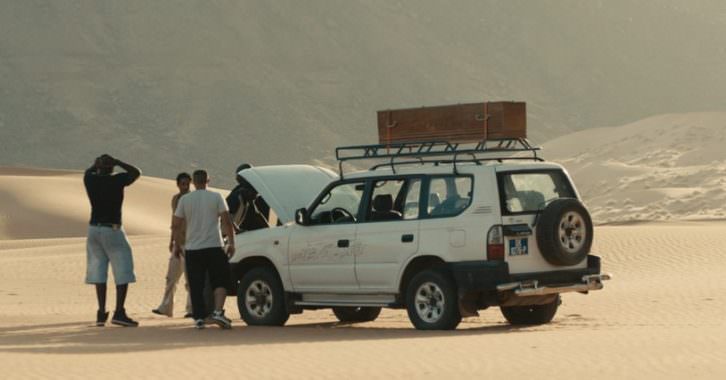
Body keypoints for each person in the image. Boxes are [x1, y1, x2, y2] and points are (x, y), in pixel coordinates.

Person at [172, 169, 236, 329]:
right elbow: (227, 221)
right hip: (214, 246)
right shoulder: (216, 196)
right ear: (208, 180)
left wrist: (177, 244)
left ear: (193, 182)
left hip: (193, 248)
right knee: (220, 280)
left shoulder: (185, 200)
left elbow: (176, 224)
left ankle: (199, 317)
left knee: (196, 283)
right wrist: (232, 243)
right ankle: (218, 311)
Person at [83, 154, 141, 327]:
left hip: (94, 229)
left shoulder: (91, 180)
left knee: (98, 270)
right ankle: (119, 311)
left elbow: (87, 172)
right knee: (123, 269)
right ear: (112, 168)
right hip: (112, 228)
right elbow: (136, 172)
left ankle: (101, 312)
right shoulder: (117, 180)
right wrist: (118, 161)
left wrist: (96, 164)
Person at [152, 172, 193, 318]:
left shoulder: (192, 199)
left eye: (187, 183)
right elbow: (174, 221)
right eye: (183, 183)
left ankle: (191, 309)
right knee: (171, 277)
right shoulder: (175, 199)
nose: (185, 186)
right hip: (178, 242)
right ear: (178, 184)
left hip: (191, 243)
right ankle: (166, 307)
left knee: (191, 278)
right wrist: (172, 241)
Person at [226, 163, 270, 232]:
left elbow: (257, 214)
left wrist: (268, 229)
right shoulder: (236, 196)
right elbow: (225, 215)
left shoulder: (255, 200)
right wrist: (236, 229)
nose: (255, 194)